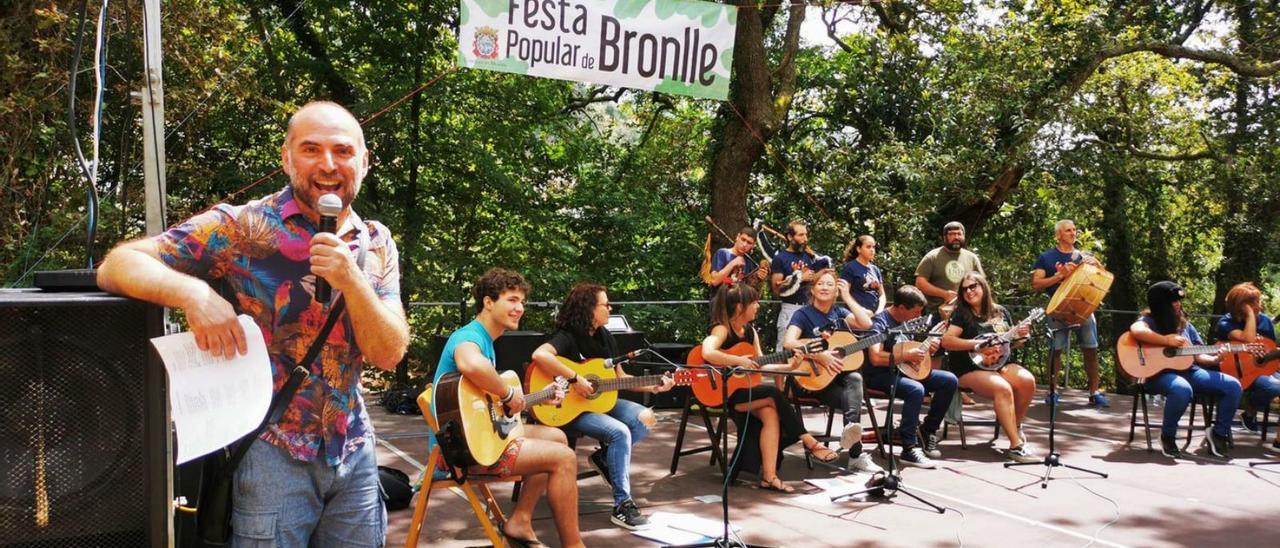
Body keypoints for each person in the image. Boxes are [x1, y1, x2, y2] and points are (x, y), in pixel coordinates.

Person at [96, 101, 410, 546]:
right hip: (271, 451)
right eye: (310, 149)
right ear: (286, 157)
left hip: (354, 448)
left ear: (363, 161)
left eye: (342, 151)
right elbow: (118, 264)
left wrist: (351, 280)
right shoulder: (243, 227)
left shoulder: (377, 241)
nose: (327, 164)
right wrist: (194, 293)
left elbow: (389, 352)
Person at [431, 268, 583, 548]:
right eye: (512, 300)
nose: (519, 308)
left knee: (558, 437)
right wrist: (508, 392)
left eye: (522, 302)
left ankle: (521, 521)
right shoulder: (469, 336)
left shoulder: (487, 341)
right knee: (564, 458)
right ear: (488, 302)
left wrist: (535, 398)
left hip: (471, 440)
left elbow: (494, 408)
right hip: (459, 452)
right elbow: (470, 365)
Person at [529, 282, 675, 530]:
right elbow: (540, 356)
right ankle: (622, 505)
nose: (610, 308)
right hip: (568, 407)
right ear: (589, 308)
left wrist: (653, 386)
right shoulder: (567, 335)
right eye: (605, 304)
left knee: (645, 417)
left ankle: (605, 457)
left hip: (599, 403)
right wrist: (575, 378)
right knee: (620, 432)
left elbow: (619, 378)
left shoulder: (605, 336)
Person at [701, 283, 856, 492]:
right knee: (774, 393)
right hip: (724, 393)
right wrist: (738, 361)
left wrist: (789, 366)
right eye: (754, 302)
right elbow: (707, 352)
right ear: (739, 307)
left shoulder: (750, 332)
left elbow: (761, 367)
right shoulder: (722, 329)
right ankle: (809, 441)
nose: (758, 306)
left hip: (747, 393)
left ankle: (769, 476)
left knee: (770, 414)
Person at [781, 269, 882, 472]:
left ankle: (852, 444)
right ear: (813, 289)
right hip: (812, 379)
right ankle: (856, 453)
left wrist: (847, 296)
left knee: (854, 378)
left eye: (829, 284)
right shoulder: (803, 314)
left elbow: (867, 323)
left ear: (836, 290)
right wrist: (819, 356)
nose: (825, 287)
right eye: (820, 283)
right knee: (852, 394)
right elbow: (788, 343)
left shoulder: (840, 313)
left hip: (836, 380)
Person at [1127, 281, 1240, 458]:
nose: (1178, 304)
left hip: (1191, 371)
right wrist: (1166, 341)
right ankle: (1168, 436)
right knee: (1181, 388)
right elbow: (1136, 330)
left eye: (1178, 301)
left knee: (1232, 385)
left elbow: (1199, 355)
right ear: (1161, 304)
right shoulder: (1149, 320)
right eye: (1173, 301)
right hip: (1157, 375)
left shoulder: (1185, 325)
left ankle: (1218, 434)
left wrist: (1216, 358)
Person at [940, 273, 1040, 463]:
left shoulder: (1000, 312)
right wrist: (977, 345)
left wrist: (1021, 336)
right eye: (964, 289)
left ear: (983, 287)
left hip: (1000, 364)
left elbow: (1011, 343)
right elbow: (947, 341)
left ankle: (1015, 426)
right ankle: (1016, 446)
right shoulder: (961, 313)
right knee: (1002, 388)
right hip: (968, 368)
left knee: (1027, 380)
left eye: (973, 286)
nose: (969, 291)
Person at [864, 285, 959, 468]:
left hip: (905, 370)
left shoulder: (911, 322)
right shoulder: (880, 323)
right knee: (915, 389)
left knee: (949, 380)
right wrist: (907, 356)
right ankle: (909, 448)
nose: (918, 316)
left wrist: (927, 348)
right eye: (915, 312)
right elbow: (875, 358)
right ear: (901, 308)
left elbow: (911, 352)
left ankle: (927, 431)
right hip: (880, 375)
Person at [1031, 219, 1107, 408]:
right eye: (1068, 231)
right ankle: (1052, 391)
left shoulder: (1085, 256)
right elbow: (1036, 284)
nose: (1073, 233)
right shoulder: (1046, 257)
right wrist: (1059, 275)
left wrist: (1097, 264)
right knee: (1055, 350)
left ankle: (1094, 392)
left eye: (1074, 230)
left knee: (1091, 349)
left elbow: (1103, 279)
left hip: (1084, 309)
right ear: (1058, 235)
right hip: (1058, 308)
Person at [1215, 282, 1280, 451]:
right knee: (1273, 387)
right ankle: (1250, 407)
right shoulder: (1225, 322)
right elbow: (1248, 338)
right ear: (1240, 306)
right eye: (1253, 303)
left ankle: (1278, 441)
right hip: (1239, 373)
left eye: (1258, 302)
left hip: (1264, 370)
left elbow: (1269, 349)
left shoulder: (1265, 321)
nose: (1259, 306)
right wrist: (1250, 315)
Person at [770, 220, 826, 351]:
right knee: (784, 350)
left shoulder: (809, 257)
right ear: (790, 237)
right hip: (790, 309)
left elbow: (811, 281)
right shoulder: (780, 258)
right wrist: (799, 278)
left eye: (806, 235)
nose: (805, 239)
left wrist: (822, 273)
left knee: (809, 348)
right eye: (801, 235)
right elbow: (776, 289)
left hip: (809, 308)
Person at [915, 221, 985, 312]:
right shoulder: (932, 257)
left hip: (967, 311)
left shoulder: (972, 258)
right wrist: (945, 294)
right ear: (944, 237)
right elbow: (920, 283)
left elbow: (983, 284)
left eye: (959, 234)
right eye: (951, 234)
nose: (956, 237)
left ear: (964, 236)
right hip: (938, 312)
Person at [709, 226, 769, 294]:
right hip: (720, 302)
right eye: (743, 239)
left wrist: (758, 277)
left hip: (738, 302)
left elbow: (749, 290)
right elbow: (714, 281)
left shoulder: (749, 262)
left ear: (753, 245)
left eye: (749, 243)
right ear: (738, 237)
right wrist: (733, 263)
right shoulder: (722, 253)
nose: (744, 244)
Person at [840, 234, 886, 314]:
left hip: (876, 315)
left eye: (873, 247)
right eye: (868, 247)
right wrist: (861, 310)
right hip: (857, 315)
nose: (872, 250)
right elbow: (844, 294)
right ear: (859, 249)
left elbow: (882, 295)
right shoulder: (850, 267)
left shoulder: (875, 269)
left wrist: (880, 310)